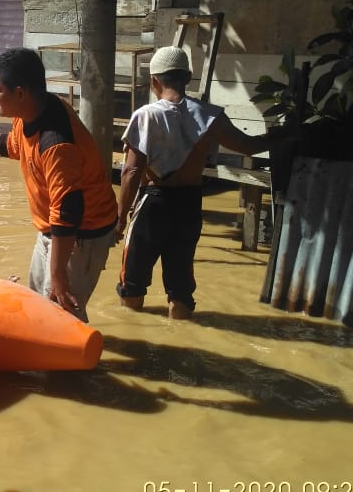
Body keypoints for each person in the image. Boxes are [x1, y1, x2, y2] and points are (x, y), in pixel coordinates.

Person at [0, 47, 118, 322]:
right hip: (53, 230)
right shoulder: (31, 113)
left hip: (80, 235)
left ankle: (76, 362)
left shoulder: (56, 143)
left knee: (62, 314)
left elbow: (68, 212)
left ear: (19, 93)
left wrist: (58, 274)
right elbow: (12, 146)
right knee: (39, 306)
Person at [115, 46, 273, 319]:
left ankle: (137, 330)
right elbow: (248, 146)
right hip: (189, 203)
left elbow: (130, 172)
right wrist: (283, 136)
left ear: (155, 81)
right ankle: (181, 328)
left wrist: (119, 220)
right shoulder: (210, 115)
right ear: (187, 78)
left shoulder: (146, 115)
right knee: (180, 285)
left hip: (153, 203)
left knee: (133, 282)